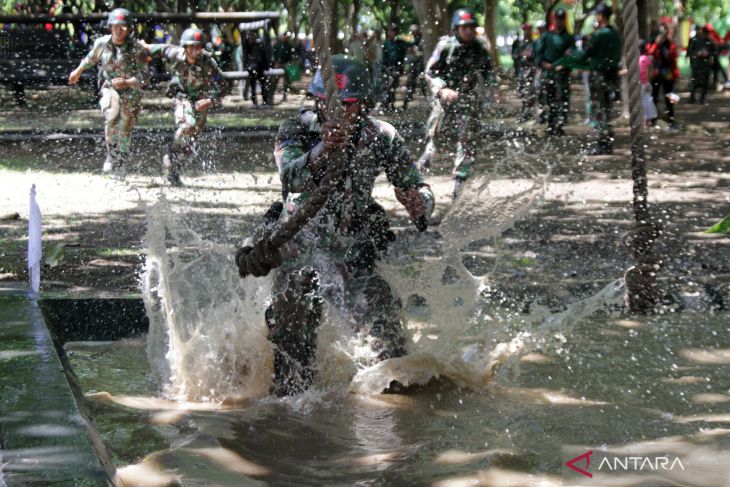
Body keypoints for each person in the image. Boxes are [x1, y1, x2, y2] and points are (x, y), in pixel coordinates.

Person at [236, 55, 434, 396]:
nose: (338, 113)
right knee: (293, 352)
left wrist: (420, 202)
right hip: (300, 254)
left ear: (365, 104)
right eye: (331, 104)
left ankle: (394, 410)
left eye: (349, 105)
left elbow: (415, 183)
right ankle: (290, 420)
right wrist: (322, 150)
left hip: (354, 254)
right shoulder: (295, 129)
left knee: (387, 335)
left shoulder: (381, 135)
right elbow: (291, 176)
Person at [418, 7, 493, 198]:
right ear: (456, 28)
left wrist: (493, 90)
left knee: (468, 141)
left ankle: (460, 184)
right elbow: (429, 73)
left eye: (471, 27)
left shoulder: (480, 48)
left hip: (467, 99)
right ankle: (416, 180)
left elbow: (488, 71)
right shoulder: (445, 46)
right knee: (434, 141)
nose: (468, 31)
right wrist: (442, 89)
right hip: (444, 100)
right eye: (464, 27)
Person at [68, 8, 149, 176]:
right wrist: (78, 71)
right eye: (115, 26)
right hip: (109, 86)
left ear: (129, 28)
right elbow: (91, 58)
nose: (118, 30)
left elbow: (144, 76)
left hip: (131, 90)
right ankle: (112, 154)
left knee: (126, 123)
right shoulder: (103, 43)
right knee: (112, 116)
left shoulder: (137, 48)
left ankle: (122, 160)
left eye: (122, 27)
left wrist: (127, 82)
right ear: (110, 27)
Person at [142, 27, 226, 186]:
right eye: (191, 47)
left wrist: (210, 101)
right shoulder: (176, 54)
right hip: (182, 97)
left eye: (198, 46)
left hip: (201, 101)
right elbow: (161, 48)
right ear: (185, 47)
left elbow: (223, 87)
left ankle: (174, 170)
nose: (195, 50)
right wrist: (146, 47)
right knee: (187, 125)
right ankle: (171, 152)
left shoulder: (209, 62)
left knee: (191, 141)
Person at [572, 3, 622, 155]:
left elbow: (585, 54)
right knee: (607, 108)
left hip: (599, 75)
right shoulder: (615, 34)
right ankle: (607, 141)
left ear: (601, 16)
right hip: (612, 76)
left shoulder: (600, 35)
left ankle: (603, 143)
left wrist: (572, 56)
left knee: (599, 110)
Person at [534, 8, 575, 137]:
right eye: (557, 18)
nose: (559, 21)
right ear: (554, 20)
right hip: (548, 74)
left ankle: (560, 126)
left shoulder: (569, 38)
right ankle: (551, 125)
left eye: (561, 19)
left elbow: (573, 56)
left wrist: (565, 63)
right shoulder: (546, 36)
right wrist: (546, 65)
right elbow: (538, 56)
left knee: (563, 99)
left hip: (563, 75)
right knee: (550, 100)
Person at [647, 23, 679, 128]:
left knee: (669, 96)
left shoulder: (669, 44)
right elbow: (649, 53)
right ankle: (653, 118)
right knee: (654, 96)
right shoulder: (652, 42)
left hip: (667, 72)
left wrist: (675, 73)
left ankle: (671, 119)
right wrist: (656, 44)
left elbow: (673, 57)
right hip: (655, 72)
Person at [380, 25, 410, 111]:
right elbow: (384, 57)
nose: (393, 33)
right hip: (388, 67)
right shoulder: (386, 43)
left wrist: (401, 68)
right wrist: (384, 68)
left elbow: (403, 54)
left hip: (397, 67)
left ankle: (391, 104)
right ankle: (385, 104)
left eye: (394, 31)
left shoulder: (400, 43)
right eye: (391, 31)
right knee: (387, 87)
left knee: (393, 87)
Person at [513, 23, 537, 122]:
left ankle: (528, 113)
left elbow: (537, 55)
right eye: (525, 30)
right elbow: (514, 55)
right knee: (522, 92)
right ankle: (525, 111)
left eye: (528, 30)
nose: (527, 32)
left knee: (530, 93)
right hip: (521, 71)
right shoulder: (519, 43)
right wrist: (520, 55)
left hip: (531, 71)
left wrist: (530, 56)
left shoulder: (535, 43)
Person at [687, 25, 716, 105]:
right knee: (695, 81)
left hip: (706, 65)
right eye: (704, 33)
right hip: (697, 64)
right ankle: (692, 97)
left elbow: (714, 52)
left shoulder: (710, 41)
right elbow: (690, 51)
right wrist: (697, 54)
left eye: (707, 33)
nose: (705, 35)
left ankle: (702, 99)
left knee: (705, 82)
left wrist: (708, 54)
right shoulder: (696, 41)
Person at [241, 30, 270, 106]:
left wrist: (266, 66)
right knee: (253, 85)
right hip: (253, 68)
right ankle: (255, 100)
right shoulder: (249, 44)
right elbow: (245, 53)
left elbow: (264, 56)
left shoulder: (259, 44)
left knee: (262, 85)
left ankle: (264, 100)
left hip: (259, 68)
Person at [403, 24, 426, 109]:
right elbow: (408, 50)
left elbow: (423, 50)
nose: (414, 33)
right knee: (410, 82)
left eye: (415, 31)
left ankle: (430, 101)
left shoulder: (422, 38)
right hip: (413, 64)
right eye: (412, 32)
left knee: (424, 82)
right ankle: (406, 102)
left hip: (421, 64)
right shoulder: (409, 39)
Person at [639, 40, 658, 127]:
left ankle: (645, 120)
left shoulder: (642, 59)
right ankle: (647, 120)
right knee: (647, 101)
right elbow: (651, 71)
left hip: (643, 83)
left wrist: (646, 81)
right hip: (646, 83)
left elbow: (647, 71)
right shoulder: (647, 59)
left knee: (644, 102)